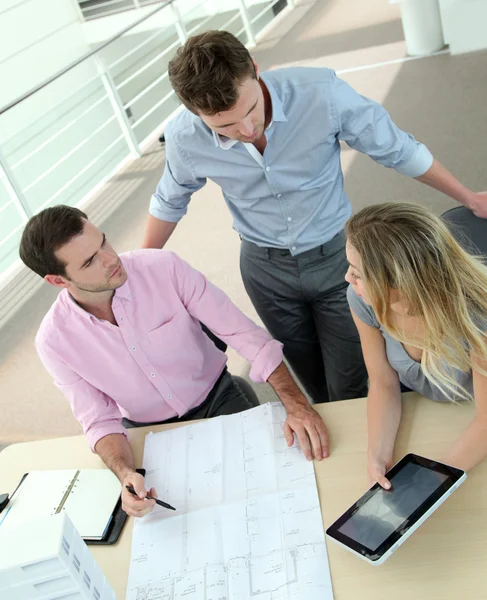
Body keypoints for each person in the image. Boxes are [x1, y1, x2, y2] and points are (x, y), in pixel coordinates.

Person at [19, 205, 328, 517]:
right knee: (172, 517)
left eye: (103, 243)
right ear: (58, 281)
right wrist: (126, 474)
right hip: (148, 432)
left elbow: (244, 335)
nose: (111, 259)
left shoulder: (162, 268)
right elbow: (99, 420)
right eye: (90, 262)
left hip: (217, 397)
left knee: (271, 490)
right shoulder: (54, 341)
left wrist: (297, 405)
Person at [344, 202, 487, 489]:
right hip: (427, 410)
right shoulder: (362, 300)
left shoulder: (476, 315)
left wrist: (433, 479)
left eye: (357, 273)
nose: (348, 278)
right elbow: (383, 382)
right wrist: (378, 452)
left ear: (398, 284)